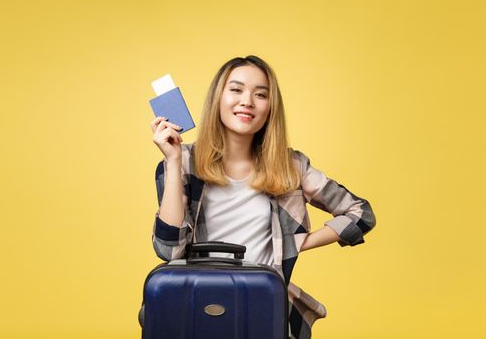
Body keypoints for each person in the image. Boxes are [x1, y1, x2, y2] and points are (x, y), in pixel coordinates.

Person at [146, 55, 376, 339]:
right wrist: (172, 161)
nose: (247, 101)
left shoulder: (291, 167)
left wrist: (297, 241)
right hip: (195, 308)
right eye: (236, 90)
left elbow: (360, 213)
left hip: (260, 309)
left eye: (261, 94)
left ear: (270, 107)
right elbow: (169, 251)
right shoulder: (184, 163)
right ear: (218, 98)